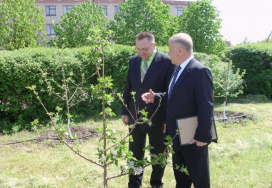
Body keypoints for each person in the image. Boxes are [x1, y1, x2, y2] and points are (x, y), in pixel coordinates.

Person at [142, 33, 214, 188]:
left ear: (180, 51)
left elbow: (206, 106)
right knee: (181, 179)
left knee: (199, 180)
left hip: (194, 137)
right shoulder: (178, 70)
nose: (168, 54)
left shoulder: (199, 71)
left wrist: (203, 137)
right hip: (177, 134)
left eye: (170, 50)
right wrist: (156, 97)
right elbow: (174, 96)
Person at [121, 32, 175, 188]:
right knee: (134, 154)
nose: (141, 53)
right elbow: (128, 87)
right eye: (138, 49)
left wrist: (167, 119)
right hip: (134, 115)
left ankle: (156, 183)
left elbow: (172, 92)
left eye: (144, 49)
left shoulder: (167, 61)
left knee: (158, 155)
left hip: (158, 117)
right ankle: (134, 184)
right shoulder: (133, 61)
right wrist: (125, 111)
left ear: (154, 45)